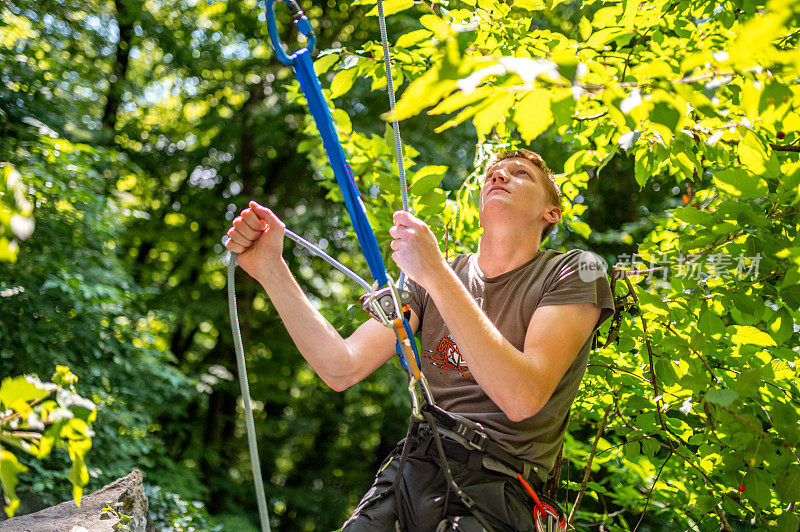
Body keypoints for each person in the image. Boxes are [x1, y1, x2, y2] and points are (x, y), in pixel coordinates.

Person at [224, 149, 615, 531]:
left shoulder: (576, 270)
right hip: (415, 467)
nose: (499, 177)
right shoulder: (430, 280)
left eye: (520, 175)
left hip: (501, 486)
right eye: (494, 173)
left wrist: (436, 273)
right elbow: (342, 367)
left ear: (551, 213)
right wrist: (270, 268)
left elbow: (522, 396)